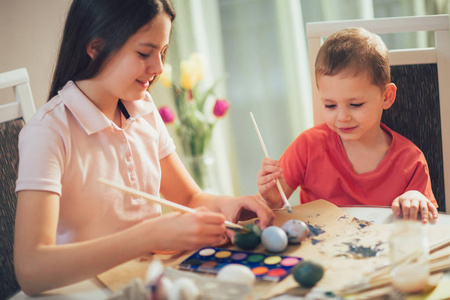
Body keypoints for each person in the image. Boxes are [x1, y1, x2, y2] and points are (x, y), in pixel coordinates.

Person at [14, 0, 274, 295]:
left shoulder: (143, 108)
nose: (159, 68)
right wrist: (148, 235)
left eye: (163, 53)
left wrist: (226, 205)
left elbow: (188, 197)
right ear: (96, 47)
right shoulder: (48, 131)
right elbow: (31, 270)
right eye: (144, 53)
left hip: (149, 282)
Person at [257, 27, 438, 224]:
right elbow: (269, 206)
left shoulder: (411, 161)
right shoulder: (308, 146)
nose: (342, 117)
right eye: (330, 105)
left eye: (355, 104)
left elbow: (428, 221)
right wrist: (271, 199)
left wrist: (416, 200)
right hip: (320, 249)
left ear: (386, 96)